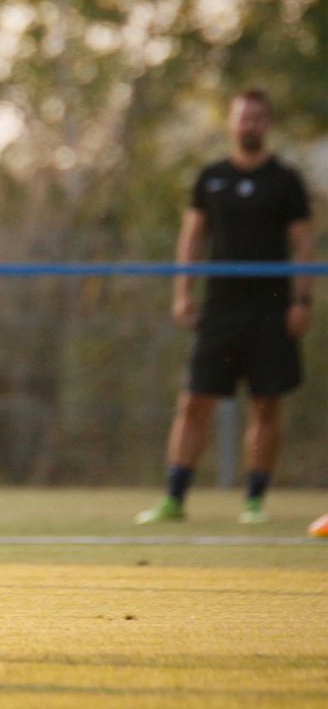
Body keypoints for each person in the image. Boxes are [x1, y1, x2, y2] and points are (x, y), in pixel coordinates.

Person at [136, 88, 314, 526]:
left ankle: (254, 502)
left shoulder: (285, 180)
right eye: (242, 117)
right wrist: (182, 292)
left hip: (271, 310)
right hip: (219, 309)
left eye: (257, 117)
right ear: (231, 123)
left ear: (266, 123)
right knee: (194, 403)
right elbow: (191, 238)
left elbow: (303, 244)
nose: (249, 125)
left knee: (266, 406)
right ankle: (174, 498)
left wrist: (302, 300)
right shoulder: (211, 177)